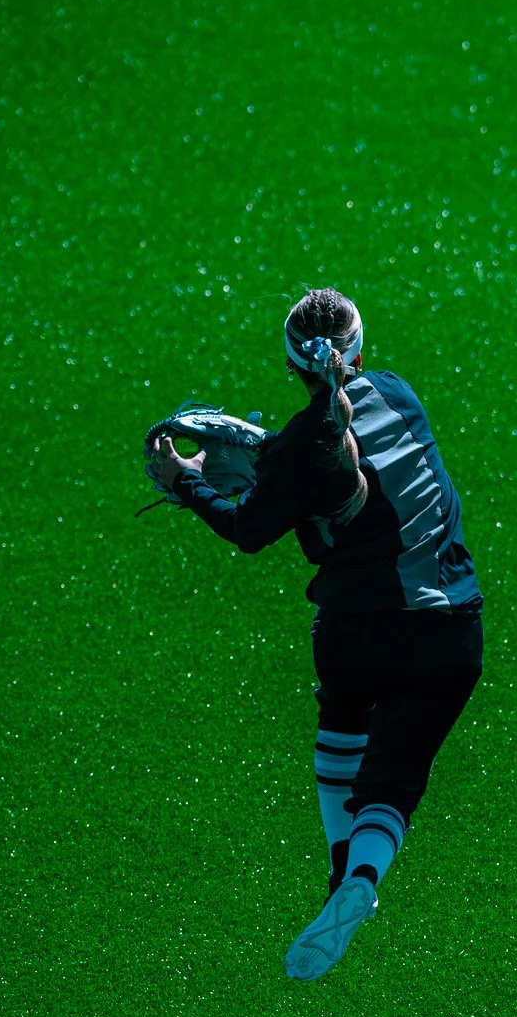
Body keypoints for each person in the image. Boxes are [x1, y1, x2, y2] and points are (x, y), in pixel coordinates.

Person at [148, 288, 483, 980]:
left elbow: (249, 530)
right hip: (449, 635)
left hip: (355, 638)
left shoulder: (300, 452)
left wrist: (186, 485)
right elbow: (338, 453)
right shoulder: (398, 394)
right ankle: (362, 876)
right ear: (359, 350)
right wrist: (279, 458)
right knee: (393, 783)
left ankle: (342, 877)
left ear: (290, 364)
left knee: (340, 736)